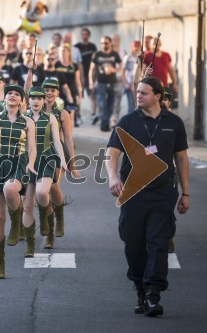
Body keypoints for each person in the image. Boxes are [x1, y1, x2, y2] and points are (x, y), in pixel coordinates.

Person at [105, 77, 189, 317]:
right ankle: (140, 288)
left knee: (158, 242)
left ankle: (153, 292)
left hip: (163, 193)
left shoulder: (174, 123)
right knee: (133, 245)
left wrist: (185, 192)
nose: (138, 96)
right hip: (133, 192)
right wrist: (113, 177)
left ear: (158, 96)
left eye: (143, 92)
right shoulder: (128, 122)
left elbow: (181, 158)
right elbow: (111, 154)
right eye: (137, 92)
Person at [0, 84, 37, 279]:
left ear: (22, 101)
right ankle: (0, 263)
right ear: (4, 99)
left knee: (10, 188)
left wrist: (30, 164)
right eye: (9, 94)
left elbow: (32, 147)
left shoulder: (28, 121)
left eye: (16, 94)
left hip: (17, 164)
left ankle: (16, 223)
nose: (13, 96)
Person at [20, 84, 67, 256]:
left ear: (43, 100)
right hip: (27, 161)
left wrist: (62, 159)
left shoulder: (51, 118)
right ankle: (30, 246)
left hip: (46, 159)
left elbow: (56, 141)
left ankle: (49, 228)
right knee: (27, 206)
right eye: (33, 98)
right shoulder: (22, 117)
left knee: (43, 193)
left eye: (39, 98)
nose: (36, 101)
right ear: (28, 100)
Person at [38, 78, 80, 247]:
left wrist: (72, 163)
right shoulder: (34, 109)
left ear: (57, 93)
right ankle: (49, 228)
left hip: (56, 153)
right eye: (46, 89)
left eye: (52, 90)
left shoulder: (63, 113)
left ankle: (59, 217)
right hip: (37, 153)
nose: (49, 92)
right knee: (41, 193)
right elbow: (26, 91)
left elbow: (69, 139)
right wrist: (31, 72)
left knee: (53, 187)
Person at [89, 36, 122, 131]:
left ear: (110, 43)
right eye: (102, 43)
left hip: (113, 82)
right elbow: (92, 69)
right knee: (101, 104)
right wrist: (91, 82)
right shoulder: (97, 54)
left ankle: (107, 122)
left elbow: (121, 66)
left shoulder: (115, 54)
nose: (104, 45)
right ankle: (104, 124)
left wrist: (113, 69)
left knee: (110, 104)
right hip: (101, 83)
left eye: (106, 43)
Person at [74, 28, 98, 123]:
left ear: (89, 35)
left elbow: (96, 62)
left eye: (86, 34)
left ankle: (93, 115)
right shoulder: (77, 47)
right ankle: (78, 115)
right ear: (81, 35)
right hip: (79, 75)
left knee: (92, 95)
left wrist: (94, 76)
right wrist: (80, 76)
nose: (84, 36)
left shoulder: (93, 47)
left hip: (91, 75)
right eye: (83, 34)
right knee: (79, 96)